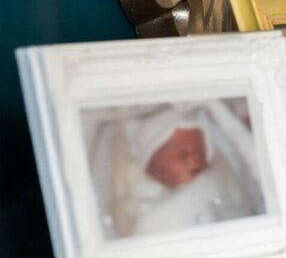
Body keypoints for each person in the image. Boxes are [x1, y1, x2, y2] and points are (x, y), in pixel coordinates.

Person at [92, 102, 265, 239]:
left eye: (200, 152)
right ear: (154, 170)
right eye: (182, 154)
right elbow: (146, 230)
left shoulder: (218, 177)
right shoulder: (142, 203)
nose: (195, 159)